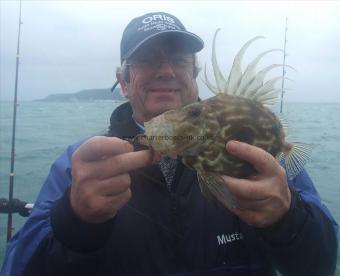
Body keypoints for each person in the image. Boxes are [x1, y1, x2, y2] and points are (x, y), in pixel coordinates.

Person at [1, 12, 338, 276]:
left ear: (194, 74)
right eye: (147, 59)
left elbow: (321, 264)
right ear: (123, 80)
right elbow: (17, 268)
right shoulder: (82, 165)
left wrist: (287, 218)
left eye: (179, 59)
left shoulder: (258, 156)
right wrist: (74, 222)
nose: (166, 71)